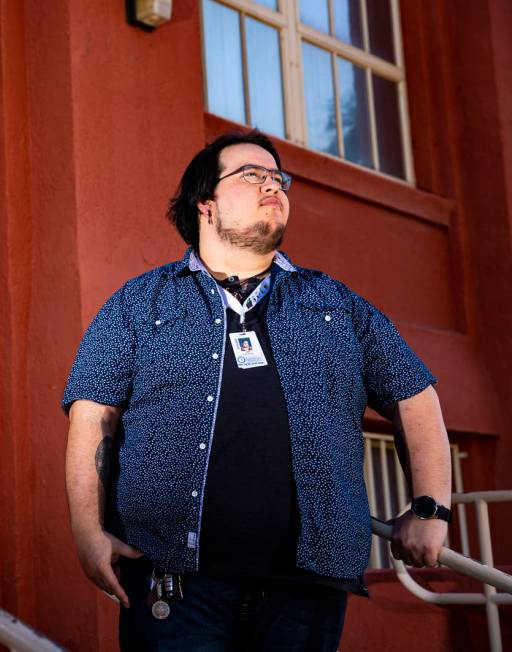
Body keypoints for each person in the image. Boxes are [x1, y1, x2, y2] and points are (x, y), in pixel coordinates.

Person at [63, 130, 451, 651]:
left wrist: (430, 509)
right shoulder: (139, 303)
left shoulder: (335, 304)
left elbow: (414, 394)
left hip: (307, 590)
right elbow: (93, 414)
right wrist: (88, 532)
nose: (274, 186)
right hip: (174, 588)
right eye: (252, 176)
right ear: (205, 203)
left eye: (278, 178)